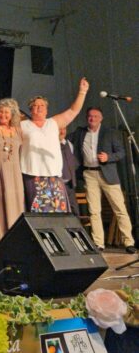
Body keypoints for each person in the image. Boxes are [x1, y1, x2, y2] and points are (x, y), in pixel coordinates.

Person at [69, 107, 136, 253]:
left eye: (95, 116)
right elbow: (65, 139)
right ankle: (99, 243)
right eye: (90, 116)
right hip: (89, 174)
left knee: (119, 209)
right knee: (94, 211)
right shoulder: (80, 133)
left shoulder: (110, 133)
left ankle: (129, 242)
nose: (92, 119)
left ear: (101, 118)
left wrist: (108, 157)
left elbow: (121, 152)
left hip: (108, 174)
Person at [20, 78, 89, 213]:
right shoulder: (23, 126)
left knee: (58, 211)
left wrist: (82, 91)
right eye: (35, 105)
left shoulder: (53, 122)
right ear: (31, 109)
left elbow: (73, 111)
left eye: (42, 105)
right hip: (33, 174)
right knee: (38, 213)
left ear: (47, 110)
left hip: (54, 176)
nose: (39, 107)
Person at [0, 98, 24, 240]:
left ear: (12, 114)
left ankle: (16, 238)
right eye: (0, 111)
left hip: (14, 174)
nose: (3, 115)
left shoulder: (19, 131)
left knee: (15, 202)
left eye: (6, 112)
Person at [59, 126, 79, 216]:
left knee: (74, 209)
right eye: (59, 129)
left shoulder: (69, 144)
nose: (62, 131)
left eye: (64, 129)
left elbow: (73, 162)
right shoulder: (51, 144)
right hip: (57, 183)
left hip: (69, 184)